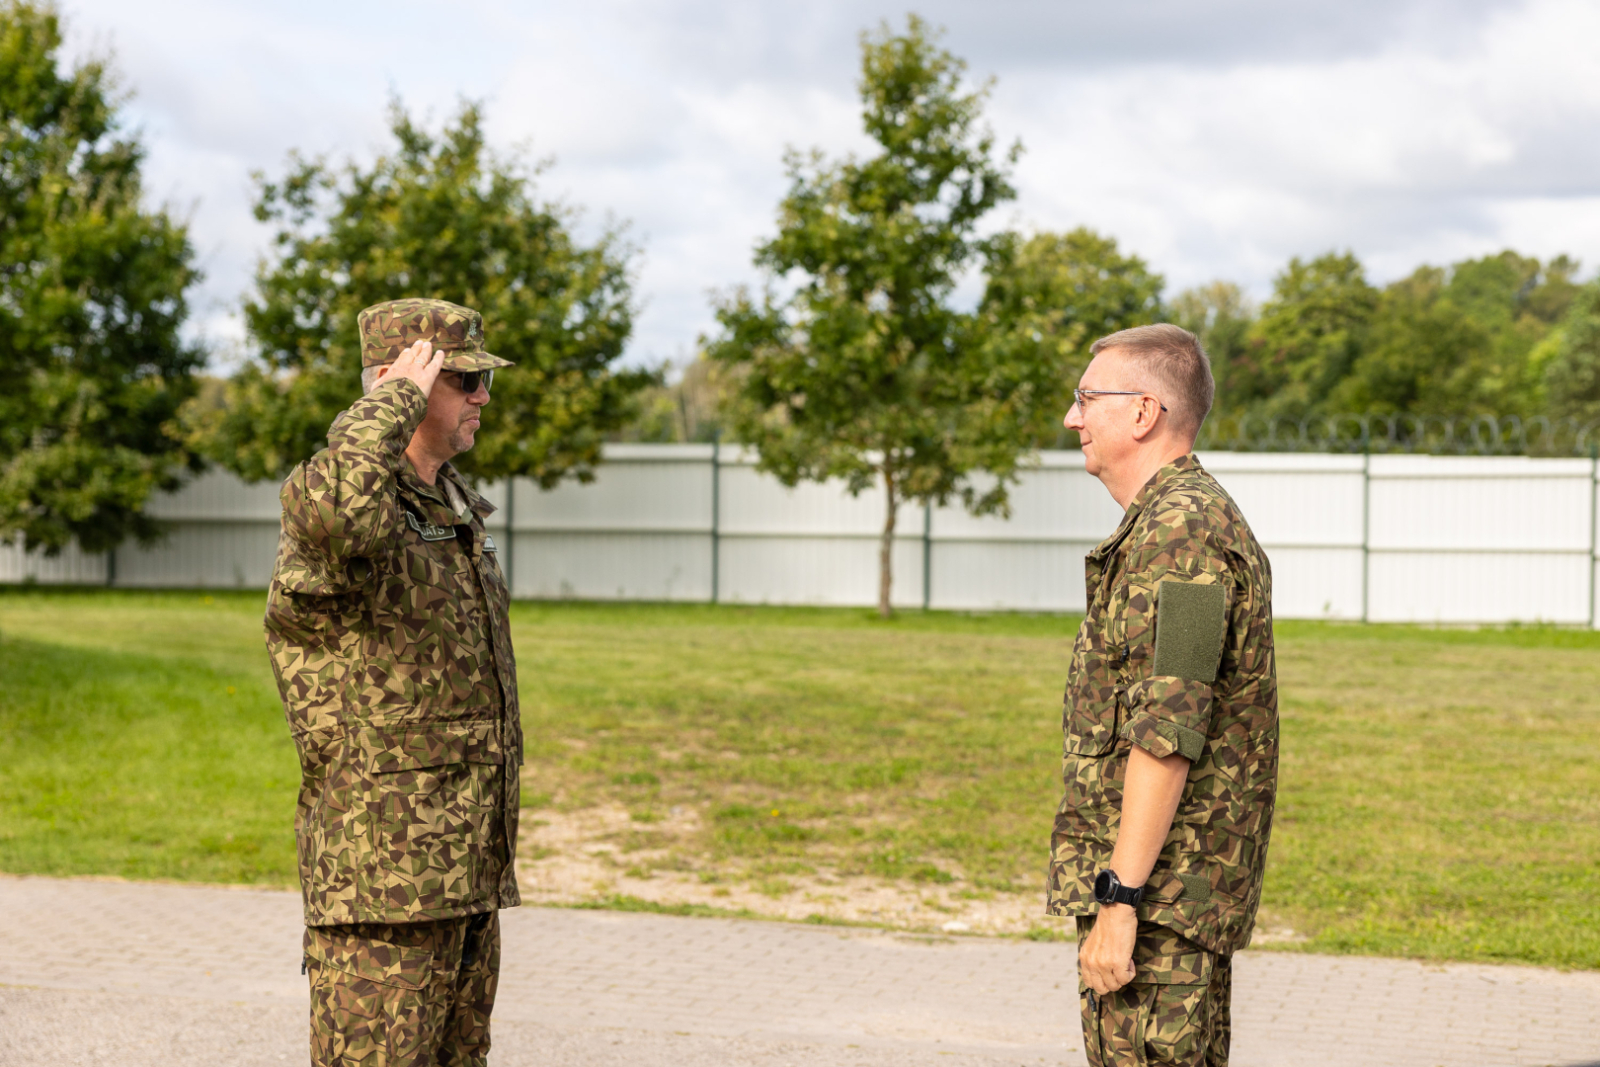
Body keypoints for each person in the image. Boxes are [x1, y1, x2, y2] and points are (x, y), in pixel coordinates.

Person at [265, 298, 522, 1067]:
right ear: (394, 386)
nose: (481, 397)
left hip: (463, 878)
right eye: (462, 380)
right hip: (383, 892)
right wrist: (385, 409)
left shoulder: (448, 510)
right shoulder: (334, 501)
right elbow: (345, 512)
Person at [1047, 324, 1277, 1067]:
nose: (1071, 417)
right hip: (1167, 901)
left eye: (1087, 397)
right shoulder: (1164, 523)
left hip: (1161, 907)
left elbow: (1167, 731)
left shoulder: (1183, 532)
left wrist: (1120, 899)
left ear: (1143, 412)